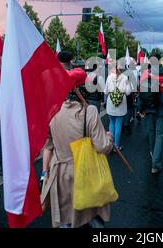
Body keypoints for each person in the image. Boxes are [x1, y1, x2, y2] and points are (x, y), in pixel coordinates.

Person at [40, 68, 113, 228]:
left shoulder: (52, 111)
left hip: (59, 174)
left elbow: (48, 146)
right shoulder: (90, 111)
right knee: (93, 218)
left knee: (66, 220)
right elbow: (102, 146)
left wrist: (44, 174)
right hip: (86, 173)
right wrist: (109, 138)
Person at [138, 54, 163, 174]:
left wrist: (140, 108)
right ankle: (156, 164)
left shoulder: (145, 73)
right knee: (160, 134)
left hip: (149, 107)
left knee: (151, 132)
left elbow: (141, 92)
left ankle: (153, 153)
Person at [104, 65, 131, 150]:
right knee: (118, 124)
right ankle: (117, 145)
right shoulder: (125, 78)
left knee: (111, 123)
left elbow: (105, 91)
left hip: (111, 102)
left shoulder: (109, 77)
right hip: (121, 103)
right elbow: (128, 92)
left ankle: (111, 145)